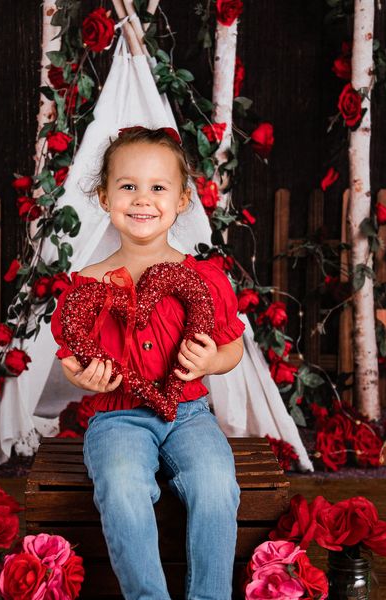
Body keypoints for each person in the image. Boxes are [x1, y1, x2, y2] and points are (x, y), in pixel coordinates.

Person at [50, 126, 246, 599]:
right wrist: (82, 374)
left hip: (188, 412)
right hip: (117, 416)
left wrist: (211, 360)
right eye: (128, 186)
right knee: (121, 486)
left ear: (181, 200)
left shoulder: (203, 279)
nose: (143, 199)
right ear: (104, 196)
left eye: (158, 187)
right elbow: (70, 360)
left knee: (217, 484)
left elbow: (233, 347)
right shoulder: (87, 286)